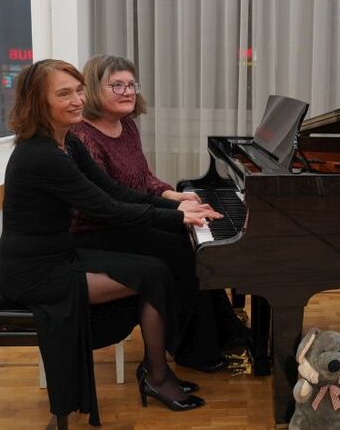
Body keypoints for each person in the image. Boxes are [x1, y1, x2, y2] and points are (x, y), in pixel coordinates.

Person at [0, 59, 220, 423]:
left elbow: (113, 190)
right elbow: (108, 208)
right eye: (64, 93)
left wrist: (173, 204)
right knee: (154, 274)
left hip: (60, 253)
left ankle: (157, 370)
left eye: (78, 90)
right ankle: (157, 376)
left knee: (157, 268)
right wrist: (178, 216)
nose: (77, 100)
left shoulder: (67, 142)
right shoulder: (40, 155)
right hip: (35, 271)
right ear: (38, 102)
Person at [70, 54, 249, 373]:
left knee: (193, 243)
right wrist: (175, 211)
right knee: (180, 249)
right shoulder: (83, 137)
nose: (128, 92)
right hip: (95, 231)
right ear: (95, 89)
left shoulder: (126, 126)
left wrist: (173, 194)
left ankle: (225, 330)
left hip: (130, 217)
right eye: (117, 85)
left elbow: (143, 178)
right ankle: (195, 349)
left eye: (131, 85)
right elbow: (109, 203)